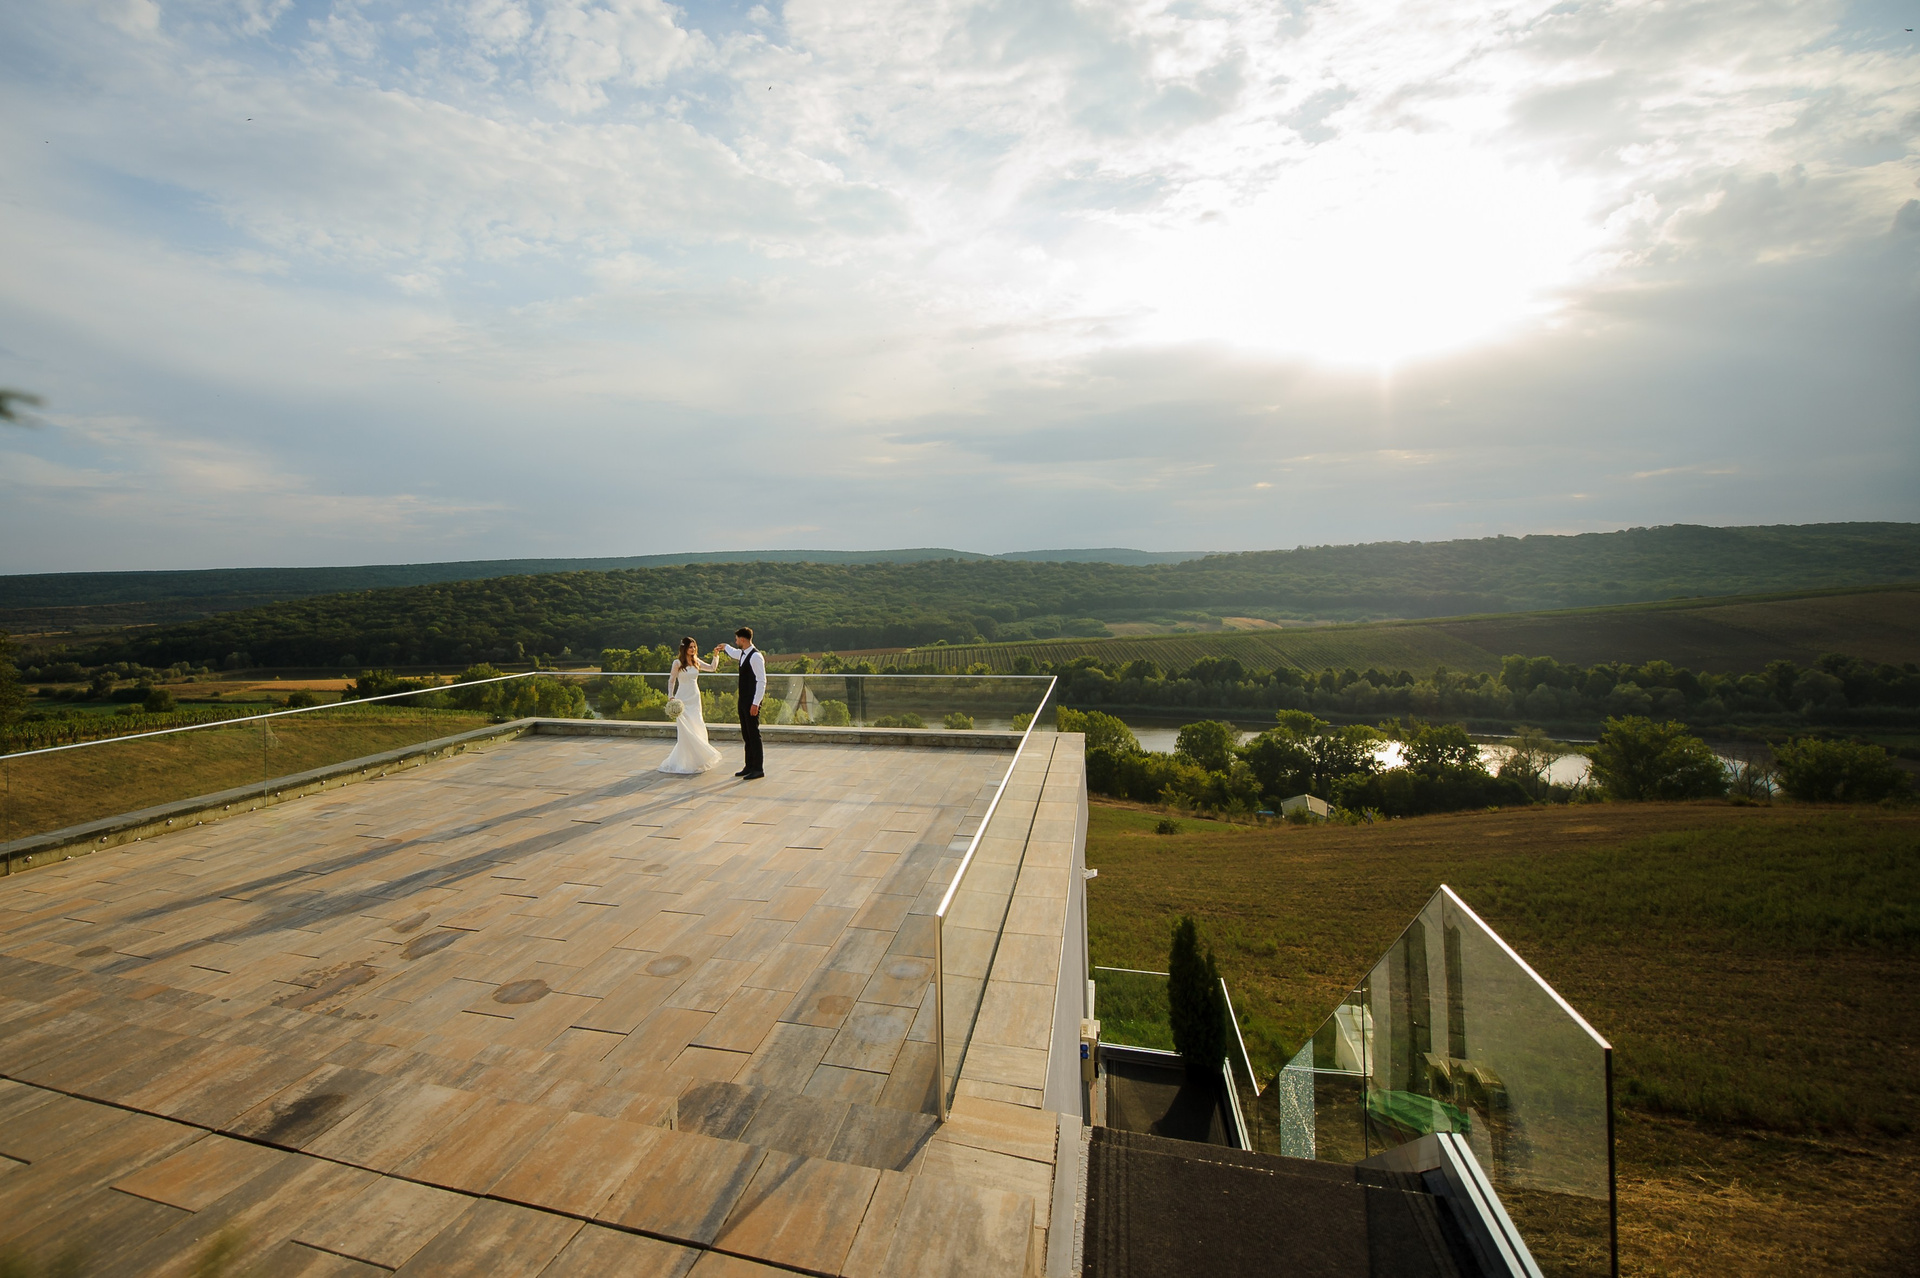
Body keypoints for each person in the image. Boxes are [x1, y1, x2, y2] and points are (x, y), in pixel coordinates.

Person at [658, 636, 723, 775]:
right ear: (684, 648)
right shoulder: (677, 663)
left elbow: (712, 668)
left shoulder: (696, 661)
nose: (693, 649)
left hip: (694, 698)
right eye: (690, 647)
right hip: (682, 699)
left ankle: (699, 759)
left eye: (694, 647)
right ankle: (685, 762)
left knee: (697, 725)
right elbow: (671, 680)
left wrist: (716, 655)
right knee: (685, 730)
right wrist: (671, 696)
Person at [715, 627, 767, 779]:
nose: (736, 641)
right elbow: (734, 652)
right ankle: (749, 765)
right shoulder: (743, 653)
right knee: (746, 734)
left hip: (752, 701)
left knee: (753, 734)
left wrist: (756, 703)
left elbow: (762, 681)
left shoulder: (756, 656)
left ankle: (758, 768)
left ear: (742, 639)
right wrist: (725, 647)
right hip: (743, 700)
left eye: (737, 639)